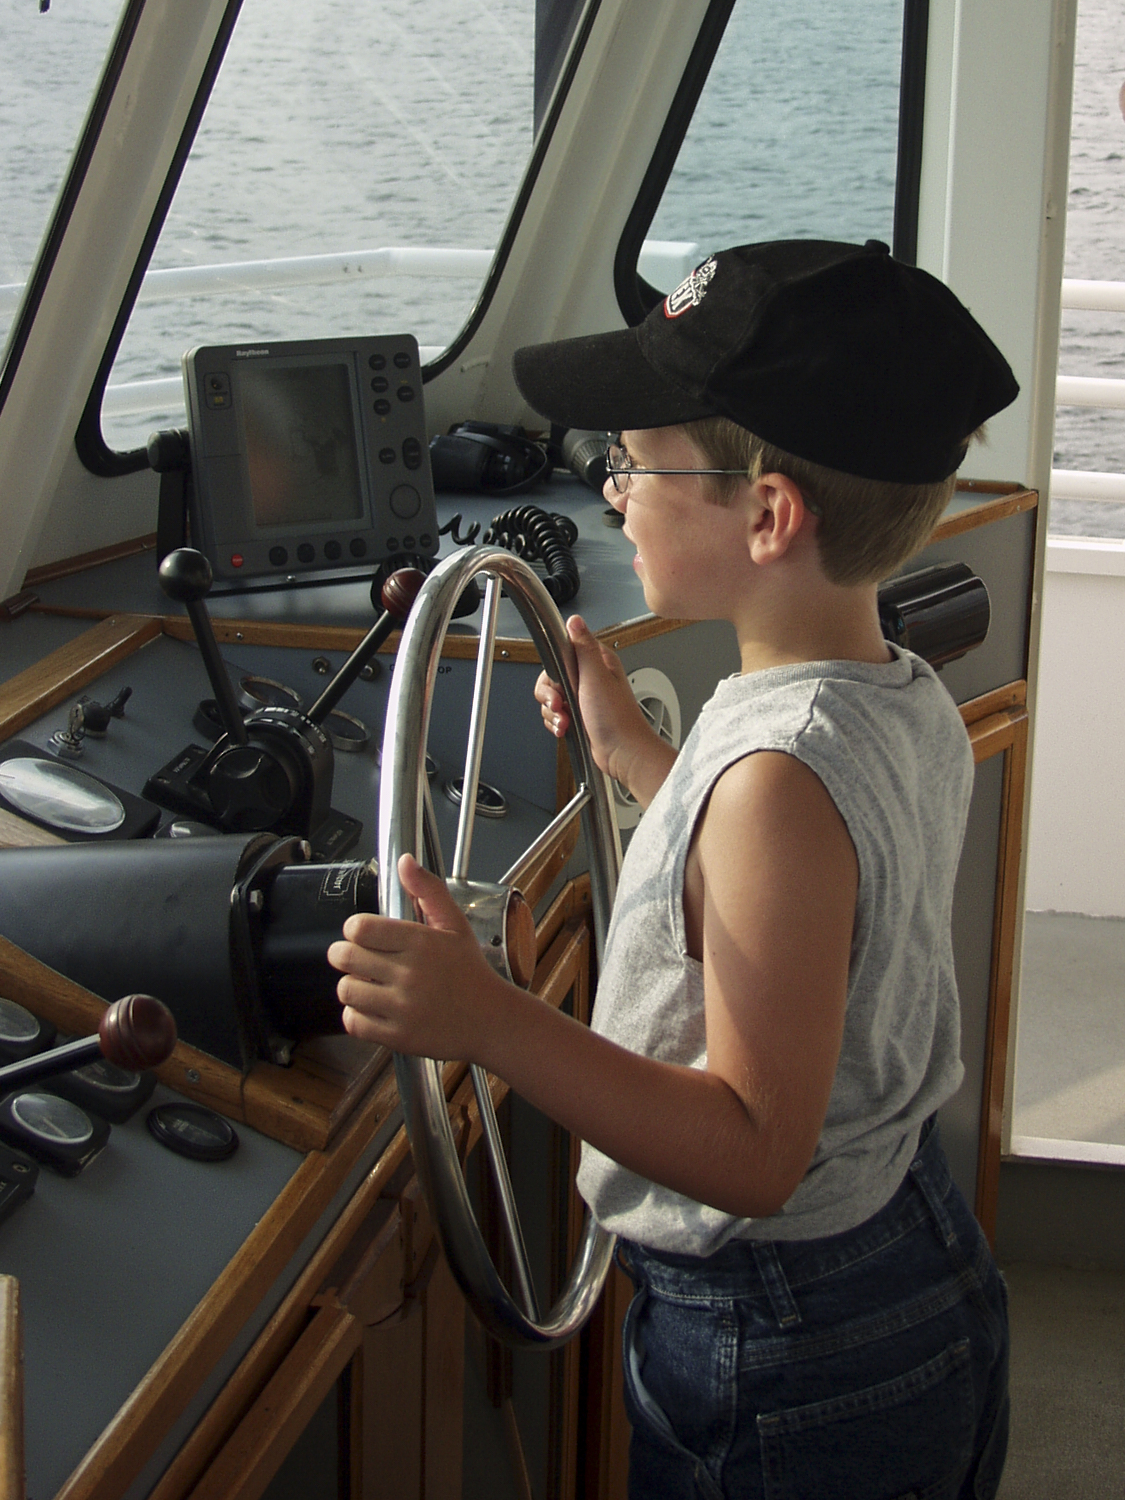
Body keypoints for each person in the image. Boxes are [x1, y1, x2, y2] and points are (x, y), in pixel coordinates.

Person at [328, 239, 1018, 1499]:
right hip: (897, 1255)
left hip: (789, 1351)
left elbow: (753, 1146)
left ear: (767, 515)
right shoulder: (890, 695)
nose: (610, 490)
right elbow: (801, 904)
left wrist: (483, 1019)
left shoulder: (778, 780)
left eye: (634, 464)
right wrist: (632, 751)